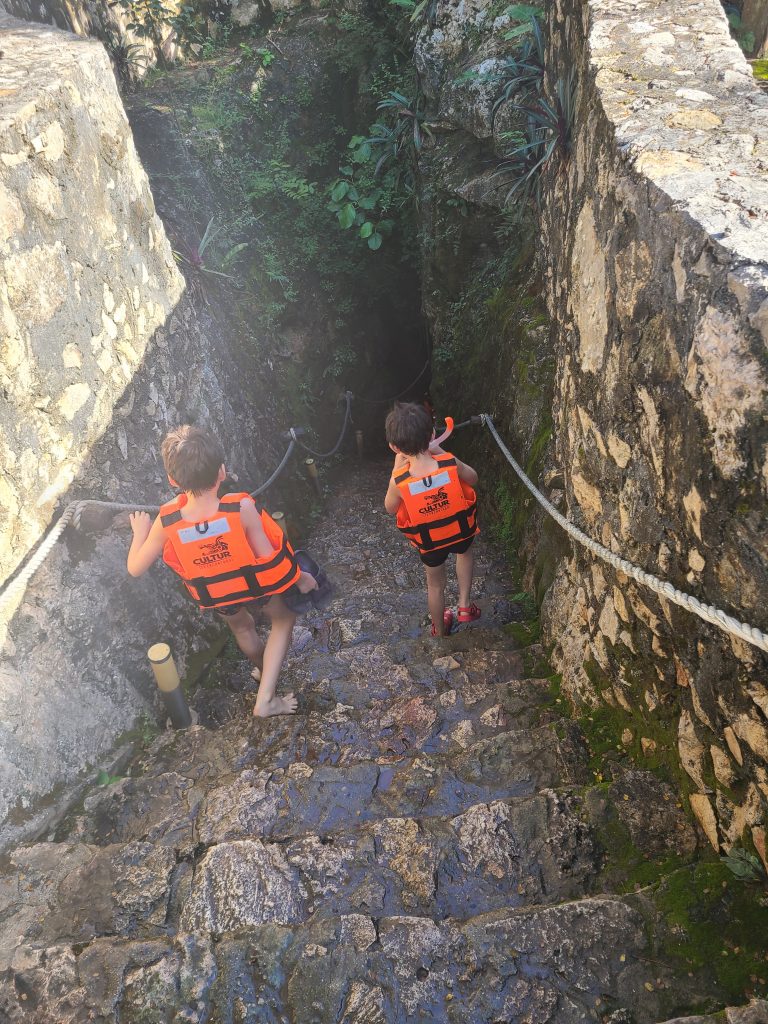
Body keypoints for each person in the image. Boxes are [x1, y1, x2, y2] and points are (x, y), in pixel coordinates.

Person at [126, 425, 317, 717]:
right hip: (254, 585)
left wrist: (140, 532)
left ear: (172, 480)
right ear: (222, 473)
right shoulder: (240, 508)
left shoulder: (167, 521)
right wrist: (301, 578)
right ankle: (266, 700)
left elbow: (135, 568)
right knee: (283, 620)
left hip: (216, 593)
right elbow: (269, 560)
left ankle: (265, 671)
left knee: (242, 627)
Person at [384, 402, 481, 636]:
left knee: (435, 585)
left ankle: (439, 629)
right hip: (460, 531)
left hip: (430, 542)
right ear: (433, 434)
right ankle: (465, 604)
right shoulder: (448, 462)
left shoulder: (399, 480)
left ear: (394, 447)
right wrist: (440, 452)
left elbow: (390, 508)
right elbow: (473, 478)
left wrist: (395, 471)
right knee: (464, 554)